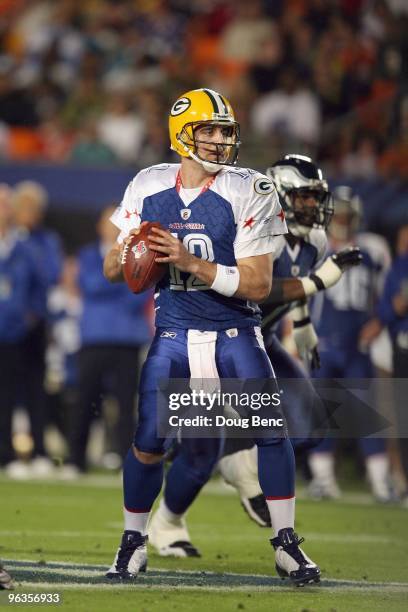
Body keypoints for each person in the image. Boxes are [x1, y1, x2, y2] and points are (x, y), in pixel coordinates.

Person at [103, 89, 320, 586]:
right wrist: (131, 255)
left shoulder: (252, 188)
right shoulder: (149, 182)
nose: (221, 140)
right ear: (183, 135)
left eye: (226, 131)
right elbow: (113, 267)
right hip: (174, 333)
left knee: (272, 433)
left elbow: (260, 284)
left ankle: (287, 545)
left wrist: (188, 261)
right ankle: (133, 542)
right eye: (210, 130)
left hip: (235, 332)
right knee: (148, 443)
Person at [148, 154, 362, 556]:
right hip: (213, 338)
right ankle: (168, 522)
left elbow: (292, 287)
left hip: (260, 339)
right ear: (278, 195)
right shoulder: (256, 228)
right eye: (303, 198)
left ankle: (242, 462)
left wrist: (302, 326)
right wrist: (319, 282)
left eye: (316, 198)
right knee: (199, 455)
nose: (313, 208)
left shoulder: (313, 240)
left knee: (311, 421)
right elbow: (261, 288)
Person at [308, 186, 393, 502]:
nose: (342, 219)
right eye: (338, 212)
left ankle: (381, 484)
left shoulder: (372, 248)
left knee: (369, 416)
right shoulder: (315, 247)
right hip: (323, 343)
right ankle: (324, 480)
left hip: (358, 345)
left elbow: (386, 292)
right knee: (322, 413)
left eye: (347, 213)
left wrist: (379, 321)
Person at [64, 206, 152, 474]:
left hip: (126, 338)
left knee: (126, 404)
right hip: (94, 337)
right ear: (100, 226)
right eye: (108, 222)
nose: (113, 228)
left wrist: (117, 281)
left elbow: (139, 292)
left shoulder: (141, 252)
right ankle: (75, 460)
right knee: (85, 401)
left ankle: (127, 459)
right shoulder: (89, 255)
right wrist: (124, 277)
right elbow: (89, 283)